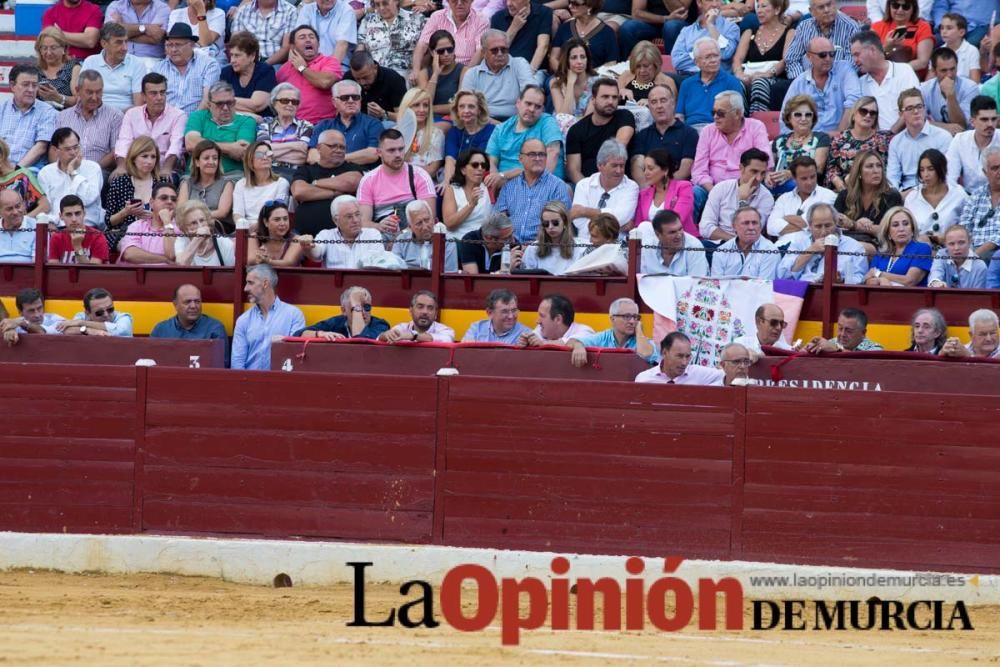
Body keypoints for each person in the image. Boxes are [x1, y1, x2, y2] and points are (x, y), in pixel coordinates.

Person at [690, 91, 771, 214]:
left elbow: (765, 161)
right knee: (693, 193)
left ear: (738, 113)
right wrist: (714, 193)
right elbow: (699, 171)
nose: (715, 117)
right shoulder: (707, 131)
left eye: (720, 113)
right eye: (714, 112)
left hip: (744, 187)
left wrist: (742, 189)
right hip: (711, 188)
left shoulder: (756, 127)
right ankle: (691, 232)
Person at [356, 128, 436, 235]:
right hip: (382, 234)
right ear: (379, 152)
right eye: (391, 150)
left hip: (416, 232)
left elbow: (429, 218)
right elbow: (363, 223)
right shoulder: (368, 180)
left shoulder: (419, 175)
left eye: (401, 149)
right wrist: (379, 226)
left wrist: (403, 236)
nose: (398, 154)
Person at [231, 263, 306, 370]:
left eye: (250, 283)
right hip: (250, 383)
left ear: (265, 284)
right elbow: (237, 364)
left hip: (281, 382)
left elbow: (296, 355)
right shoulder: (243, 320)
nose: (245, 288)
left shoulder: (294, 315)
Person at [289, 129, 363, 236]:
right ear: (319, 148)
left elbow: (351, 183)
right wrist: (334, 193)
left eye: (342, 147)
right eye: (333, 146)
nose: (338, 150)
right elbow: (299, 192)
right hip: (307, 237)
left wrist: (314, 183)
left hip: (344, 237)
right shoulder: (306, 170)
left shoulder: (352, 167)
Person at [496, 138, 573, 241]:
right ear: (520, 158)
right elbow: (499, 218)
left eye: (541, 154)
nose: (537, 158)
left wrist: (533, 246)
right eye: (532, 154)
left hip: (543, 247)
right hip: (511, 244)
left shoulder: (557, 186)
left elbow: (561, 224)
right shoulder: (509, 186)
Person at [783, 36, 861, 134]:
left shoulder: (844, 69)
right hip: (809, 140)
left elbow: (854, 101)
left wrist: (839, 134)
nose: (828, 59)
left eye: (832, 54)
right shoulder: (799, 83)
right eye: (822, 55)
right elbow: (785, 116)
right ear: (809, 56)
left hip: (841, 137)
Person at [485, 85, 564, 182]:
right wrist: (494, 178)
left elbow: (553, 152)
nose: (532, 109)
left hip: (539, 181)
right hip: (504, 184)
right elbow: (491, 160)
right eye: (528, 103)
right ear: (518, 103)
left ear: (543, 109)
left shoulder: (547, 122)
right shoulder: (501, 129)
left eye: (537, 106)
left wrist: (540, 184)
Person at [777, 202, 868, 284]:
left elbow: (860, 278)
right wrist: (810, 251)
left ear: (836, 222)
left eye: (828, 225)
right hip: (803, 295)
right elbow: (783, 275)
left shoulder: (854, 247)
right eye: (818, 226)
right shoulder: (799, 243)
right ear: (810, 226)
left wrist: (842, 280)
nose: (824, 232)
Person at [566, 77, 636, 183]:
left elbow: (617, 150)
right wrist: (587, 190)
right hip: (587, 185)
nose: (610, 101)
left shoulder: (624, 116)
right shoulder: (576, 130)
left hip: (620, 184)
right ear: (593, 100)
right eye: (605, 97)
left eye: (614, 97)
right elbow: (573, 170)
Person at [116, 72, 186, 176]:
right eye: (153, 93)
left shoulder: (178, 116)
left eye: (162, 92)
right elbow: (124, 143)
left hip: (164, 168)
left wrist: (166, 169)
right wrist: (121, 167)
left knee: (165, 182)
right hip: (136, 170)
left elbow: (176, 146)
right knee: (118, 181)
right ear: (143, 96)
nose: (159, 97)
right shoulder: (131, 114)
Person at [183, 81, 258, 179]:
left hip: (231, 175)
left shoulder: (247, 121)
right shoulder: (198, 116)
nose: (225, 108)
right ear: (209, 105)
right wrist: (229, 148)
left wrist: (202, 145)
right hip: (196, 175)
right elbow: (191, 143)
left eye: (229, 103)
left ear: (234, 102)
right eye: (219, 104)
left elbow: (241, 152)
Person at [731, 0, 795, 113]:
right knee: (736, 84)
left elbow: (786, 60)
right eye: (758, 7)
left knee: (759, 83)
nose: (759, 10)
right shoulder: (749, 32)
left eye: (764, 6)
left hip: (775, 77)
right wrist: (740, 74)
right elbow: (737, 59)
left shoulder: (789, 32)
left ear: (777, 10)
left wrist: (767, 74)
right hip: (749, 76)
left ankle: (758, 123)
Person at [628, 84, 698, 187]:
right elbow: (637, 167)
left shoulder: (689, 133)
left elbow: (685, 169)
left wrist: (664, 189)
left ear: (673, 103)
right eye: (654, 102)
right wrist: (647, 188)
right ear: (649, 107)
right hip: (648, 189)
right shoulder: (642, 135)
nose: (659, 106)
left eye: (663, 100)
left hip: (677, 189)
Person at [53, 70, 121, 174]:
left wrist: (91, 170)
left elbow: (115, 152)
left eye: (98, 92)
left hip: (99, 171)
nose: (94, 97)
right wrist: (62, 170)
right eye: (89, 92)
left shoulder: (115, 116)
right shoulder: (62, 116)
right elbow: (53, 149)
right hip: (65, 170)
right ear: (77, 90)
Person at [833, 149, 902, 252]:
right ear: (859, 172)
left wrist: (854, 225)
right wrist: (842, 221)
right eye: (870, 166)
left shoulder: (891, 195)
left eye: (878, 166)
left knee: (858, 248)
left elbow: (892, 229)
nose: (876, 170)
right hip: (846, 241)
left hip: (879, 246)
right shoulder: (845, 195)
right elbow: (834, 222)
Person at [104, 136, 165, 250]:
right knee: (129, 244)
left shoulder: (162, 183)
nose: (149, 161)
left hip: (156, 232)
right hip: (125, 232)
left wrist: (153, 217)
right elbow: (109, 221)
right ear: (133, 158)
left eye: (153, 157)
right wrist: (126, 212)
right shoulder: (120, 182)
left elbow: (173, 216)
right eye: (144, 156)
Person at [886, 88, 953, 194]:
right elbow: (892, 177)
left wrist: (915, 192)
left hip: (935, 190)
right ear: (901, 115)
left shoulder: (943, 137)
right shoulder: (896, 142)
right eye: (910, 108)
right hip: (904, 194)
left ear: (925, 109)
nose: (916, 111)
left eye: (919, 106)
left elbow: (946, 174)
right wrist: (896, 196)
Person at [851, 30, 919, 133]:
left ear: (872, 50)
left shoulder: (904, 71)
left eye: (857, 54)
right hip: (873, 142)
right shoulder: (860, 83)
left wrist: (889, 135)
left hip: (906, 136)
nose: (855, 60)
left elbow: (913, 108)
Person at [700, 148, 773, 242]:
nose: (759, 178)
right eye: (754, 172)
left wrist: (743, 201)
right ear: (741, 168)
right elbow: (705, 228)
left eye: (763, 173)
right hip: (718, 244)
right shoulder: (721, 188)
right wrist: (734, 243)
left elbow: (750, 233)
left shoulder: (766, 197)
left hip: (749, 249)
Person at [460, 31, 534, 122]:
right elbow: (465, 105)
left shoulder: (519, 64)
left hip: (516, 120)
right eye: (494, 50)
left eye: (503, 49)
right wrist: (497, 125)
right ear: (483, 53)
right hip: (484, 121)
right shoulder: (472, 74)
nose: (500, 54)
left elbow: (530, 94)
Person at [38, 128, 104, 230]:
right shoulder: (46, 173)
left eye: (76, 147)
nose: (73, 153)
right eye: (68, 149)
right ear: (56, 150)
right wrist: (50, 223)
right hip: (57, 228)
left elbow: (88, 199)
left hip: (88, 227)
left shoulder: (93, 168)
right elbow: (48, 206)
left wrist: (73, 173)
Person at [275, 25, 342, 126]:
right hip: (293, 125)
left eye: (311, 37)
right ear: (293, 46)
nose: (308, 40)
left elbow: (325, 82)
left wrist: (302, 68)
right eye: (302, 37)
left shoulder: (329, 62)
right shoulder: (285, 69)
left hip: (322, 124)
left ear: (318, 44)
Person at [569, 140, 638, 235]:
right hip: (584, 242)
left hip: (616, 245)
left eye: (622, 166)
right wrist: (614, 226)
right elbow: (578, 222)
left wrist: (584, 211)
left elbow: (619, 218)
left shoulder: (631, 187)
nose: (619, 171)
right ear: (600, 165)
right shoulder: (583, 185)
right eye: (614, 165)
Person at [150, 283, 229, 366]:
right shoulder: (161, 330)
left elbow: (221, 367)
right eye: (187, 302)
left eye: (197, 301)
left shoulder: (214, 329)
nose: (193, 306)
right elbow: (150, 363)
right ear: (175, 305)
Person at [308, 80, 383, 167]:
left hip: (360, 174)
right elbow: (312, 156)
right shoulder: (323, 125)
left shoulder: (373, 124)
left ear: (360, 100)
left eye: (355, 97)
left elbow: (373, 154)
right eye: (345, 97)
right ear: (334, 102)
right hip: (326, 174)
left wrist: (336, 160)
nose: (351, 101)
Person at [767, 95, 830, 196]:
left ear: (813, 118)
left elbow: (818, 168)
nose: (803, 118)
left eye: (808, 115)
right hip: (778, 188)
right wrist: (768, 176)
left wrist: (791, 174)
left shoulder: (821, 138)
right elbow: (769, 167)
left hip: (808, 189)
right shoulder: (779, 140)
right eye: (798, 115)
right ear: (789, 118)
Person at [826, 96, 892, 192]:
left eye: (873, 113)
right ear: (854, 114)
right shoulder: (839, 139)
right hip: (843, 188)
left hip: (872, 188)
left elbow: (883, 169)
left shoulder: (882, 141)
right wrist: (838, 182)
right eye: (863, 111)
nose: (868, 115)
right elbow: (831, 168)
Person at [153, 23, 221, 115]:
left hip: (195, 121)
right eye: (169, 45)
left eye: (178, 45)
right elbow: (153, 101)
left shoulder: (209, 65)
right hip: (164, 121)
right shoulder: (158, 68)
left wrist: (191, 123)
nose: (173, 49)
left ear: (192, 45)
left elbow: (207, 100)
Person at [568, 297, 658, 367]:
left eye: (635, 317)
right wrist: (578, 346)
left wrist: (639, 330)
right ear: (612, 319)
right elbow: (570, 342)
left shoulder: (642, 341)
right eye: (627, 316)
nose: (632, 321)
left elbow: (645, 354)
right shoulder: (603, 337)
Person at [783, 0, 859, 80]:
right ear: (811, 11)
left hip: (840, 83)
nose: (826, 10)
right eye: (821, 7)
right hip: (806, 82)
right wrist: (803, 82)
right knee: (777, 87)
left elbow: (852, 62)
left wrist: (831, 82)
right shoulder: (804, 27)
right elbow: (792, 59)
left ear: (835, 4)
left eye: (829, 5)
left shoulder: (850, 27)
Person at [676, 39, 743, 129]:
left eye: (716, 56)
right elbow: (679, 116)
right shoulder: (687, 84)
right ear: (696, 62)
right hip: (690, 132)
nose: (713, 60)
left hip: (719, 130)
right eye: (708, 57)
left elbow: (737, 117)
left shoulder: (732, 82)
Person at [0, 65, 58, 169]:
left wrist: (16, 170)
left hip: (27, 172)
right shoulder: (2, 109)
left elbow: (41, 147)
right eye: (25, 85)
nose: (31, 90)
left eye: (35, 85)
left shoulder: (47, 112)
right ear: (13, 86)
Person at [767, 156, 836, 242]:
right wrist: (808, 226)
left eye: (812, 177)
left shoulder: (828, 195)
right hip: (782, 250)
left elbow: (809, 222)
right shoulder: (784, 198)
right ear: (794, 178)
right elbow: (771, 227)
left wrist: (786, 218)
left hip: (814, 250)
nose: (809, 182)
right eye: (804, 178)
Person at [255, 83, 314, 183]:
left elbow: (301, 157)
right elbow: (262, 153)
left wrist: (271, 151)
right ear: (274, 103)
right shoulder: (265, 124)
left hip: (295, 174)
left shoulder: (307, 126)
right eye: (284, 101)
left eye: (294, 102)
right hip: (269, 172)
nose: (290, 104)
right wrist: (294, 145)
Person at [412, 0, 490, 76]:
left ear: (472, 1)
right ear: (448, 1)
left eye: (464, 0)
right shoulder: (437, 17)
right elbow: (422, 44)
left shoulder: (481, 20)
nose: (459, 3)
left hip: (468, 69)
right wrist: (416, 71)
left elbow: (480, 51)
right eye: (454, 0)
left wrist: (466, 75)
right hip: (440, 70)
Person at [904, 148, 965, 245]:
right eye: (922, 170)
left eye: (930, 169)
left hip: (951, 249)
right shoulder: (912, 198)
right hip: (920, 250)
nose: (926, 175)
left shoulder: (959, 194)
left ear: (941, 168)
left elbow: (966, 227)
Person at [306, 194, 384, 268]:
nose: (355, 220)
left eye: (357, 214)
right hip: (335, 281)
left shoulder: (372, 235)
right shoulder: (326, 235)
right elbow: (316, 254)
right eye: (349, 217)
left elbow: (378, 265)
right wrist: (308, 247)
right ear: (336, 220)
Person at [81, 23, 146, 112]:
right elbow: (83, 98)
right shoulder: (91, 62)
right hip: (95, 113)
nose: (125, 48)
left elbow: (139, 106)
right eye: (118, 42)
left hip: (126, 117)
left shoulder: (137, 64)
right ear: (104, 43)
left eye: (126, 42)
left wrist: (114, 117)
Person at [864, 206, 932, 286]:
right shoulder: (882, 253)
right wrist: (881, 280)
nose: (901, 229)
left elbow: (910, 280)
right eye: (895, 225)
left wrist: (879, 274)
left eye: (906, 224)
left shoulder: (922, 249)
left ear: (912, 229)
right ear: (888, 232)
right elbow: (868, 281)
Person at [669, 0, 741, 75]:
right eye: (709, 0)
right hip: (688, 77)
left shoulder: (731, 28)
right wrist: (707, 55)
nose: (714, 4)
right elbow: (677, 62)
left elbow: (725, 53)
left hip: (716, 78)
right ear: (699, 3)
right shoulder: (687, 31)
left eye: (718, 0)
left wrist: (711, 25)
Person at [633, 149, 695, 236]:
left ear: (665, 170)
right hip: (651, 243)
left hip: (681, 240)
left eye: (650, 168)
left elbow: (677, 220)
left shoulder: (683, 188)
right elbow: (638, 225)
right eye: (644, 168)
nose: (645, 173)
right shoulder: (643, 194)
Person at [946, 95, 1000, 192]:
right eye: (984, 119)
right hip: (967, 197)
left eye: (993, 119)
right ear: (972, 121)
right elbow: (950, 178)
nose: (990, 124)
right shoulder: (960, 140)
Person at [360, 0, 427, 79]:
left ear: (396, 1)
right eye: (377, 5)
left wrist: (417, 70)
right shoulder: (367, 21)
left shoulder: (416, 19)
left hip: (406, 75)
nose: (381, 8)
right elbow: (360, 50)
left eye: (385, 3)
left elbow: (426, 49)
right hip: (376, 77)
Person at [548, 0, 618, 73]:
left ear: (590, 7)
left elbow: (611, 63)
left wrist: (587, 75)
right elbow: (553, 58)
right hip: (564, 76)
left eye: (575, 4)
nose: (570, 6)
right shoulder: (565, 28)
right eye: (570, 2)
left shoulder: (607, 32)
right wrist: (567, 73)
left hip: (593, 78)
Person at [920, 47, 978, 135]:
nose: (949, 75)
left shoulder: (970, 87)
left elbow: (961, 126)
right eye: (944, 70)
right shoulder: (925, 88)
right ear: (934, 71)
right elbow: (918, 121)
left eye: (952, 69)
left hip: (965, 137)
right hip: (937, 135)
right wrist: (944, 127)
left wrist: (950, 95)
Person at [178, 140, 234, 231]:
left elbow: (222, 212)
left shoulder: (227, 183)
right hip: (191, 228)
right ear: (197, 162)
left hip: (217, 229)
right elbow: (181, 210)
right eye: (206, 158)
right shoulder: (187, 183)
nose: (211, 162)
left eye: (215, 158)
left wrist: (198, 219)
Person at [296, 286, 390, 340]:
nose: (362, 312)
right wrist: (319, 334)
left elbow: (361, 340)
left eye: (366, 307)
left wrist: (356, 304)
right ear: (344, 311)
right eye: (357, 307)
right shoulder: (336, 322)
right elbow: (298, 334)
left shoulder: (381, 325)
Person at [442, 90, 494, 187]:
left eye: (471, 106)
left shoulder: (490, 131)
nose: (466, 111)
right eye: (461, 106)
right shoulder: (454, 131)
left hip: (480, 180)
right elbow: (450, 160)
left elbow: (478, 162)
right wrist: (448, 184)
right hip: (457, 177)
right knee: (442, 192)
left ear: (479, 110)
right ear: (457, 111)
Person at [117, 181, 178, 264]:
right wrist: (164, 259)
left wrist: (167, 223)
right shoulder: (137, 226)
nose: (170, 202)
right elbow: (130, 254)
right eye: (164, 198)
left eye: (174, 199)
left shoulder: (181, 227)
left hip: (168, 276)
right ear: (152, 203)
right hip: (136, 276)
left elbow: (172, 255)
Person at [232, 140, 290, 226]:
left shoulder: (281, 183)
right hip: (246, 229)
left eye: (268, 153)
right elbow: (238, 214)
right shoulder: (240, 184)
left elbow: (277, 214)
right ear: (250, 160)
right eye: (259, 154)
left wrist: (256, 228)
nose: (265, 157)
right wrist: (243, 227)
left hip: (270, 229)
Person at [710, 207, 780, 278]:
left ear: (760, 226)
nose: (751, 227)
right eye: (746, 223)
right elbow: (717, 284)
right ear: (734, 226)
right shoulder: (721, 251)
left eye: (755, 223)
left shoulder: (771, 251)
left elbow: (764, 285)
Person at [635, 331, 725, 385]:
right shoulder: (644, 379)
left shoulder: (699, 374)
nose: (684, 362)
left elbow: (728, 375)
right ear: (664, 353)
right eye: (679, 356)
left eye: (688, 356)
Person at [871, 0, 933, 77]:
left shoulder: (923, 27)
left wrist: (897, 71)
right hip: (882, 76)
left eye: (905, 7)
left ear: (913, 8)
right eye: (895, 6)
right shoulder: (877, 27)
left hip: (911, 76)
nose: (900, 10)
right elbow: (871, 60)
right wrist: (887, 47)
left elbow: (922, 62)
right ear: (889, 6)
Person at [220, 32, 277, 115]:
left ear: (252, 56)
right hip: (234, 120)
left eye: (237, 55)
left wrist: (226, 100)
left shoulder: (265, 71)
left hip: (261, 123)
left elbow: (256, 105)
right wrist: (249, 115)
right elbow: (218, 103)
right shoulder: (226, 72)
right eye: (231, 55)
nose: (232, 60)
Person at [442, 148, 493, 240]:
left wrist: (502, 175)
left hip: (480, 241)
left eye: (483, 165)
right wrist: (471, 205)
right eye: (475, 165)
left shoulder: (489, 187)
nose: (480, 168)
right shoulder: (453, 189)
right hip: (456, 241)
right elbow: (449, 224)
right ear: (463, 170)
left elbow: (518, 170)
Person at [392, 200, 459, 271]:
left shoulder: (447, 241)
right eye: (419, 223)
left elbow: (449, 275)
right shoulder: (401, 241)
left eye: (427, 220)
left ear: (433, 219)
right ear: (410, 227)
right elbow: (394, 271)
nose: (425, 227)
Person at [490, 0, 552, 76]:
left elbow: (543, 46)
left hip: (534, 71)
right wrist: (513, 28)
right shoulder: (497, 18)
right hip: (504, 72)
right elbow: (496, 52)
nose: (509, 4)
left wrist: (528, 74)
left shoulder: (543, 12)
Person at [638, 209, 708, 276]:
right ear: (658, 235)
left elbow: (696, 283)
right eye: (672, 232)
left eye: (680, 229)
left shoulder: (694, 246)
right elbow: (643, 281)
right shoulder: (648, 247)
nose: (679, 235)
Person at [521, 201, 584, 274]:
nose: (550, 227)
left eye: (555, 223)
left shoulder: (580, 248)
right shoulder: (533, 249)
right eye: (546, 224)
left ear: (565, 223)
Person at [166, 199, 234, 266]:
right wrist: (198, 239)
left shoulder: (224, 243)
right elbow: (181, 265)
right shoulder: (182, 240)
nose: (200, 226)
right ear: (184, 229)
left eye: (202, 220)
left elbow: (231, 274)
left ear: (207, 221)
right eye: (194, 223)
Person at [959, 147, 1000, 259]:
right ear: (985, 172)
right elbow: (963, 228)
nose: (999, 172)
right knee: (941, 256)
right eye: (995, 168)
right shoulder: (976, 196)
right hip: (971, 252)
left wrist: (975, 255)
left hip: (995, 254)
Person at [229, 0, 298, 66]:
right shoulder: (242, 11)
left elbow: (286, 47)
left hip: (275, 62)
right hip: (245, 61)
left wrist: (263, 66)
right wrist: (247, 64)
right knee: (224, 73)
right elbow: (235, 43)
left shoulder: (290, 11)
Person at [395, 87, 444, 178]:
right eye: (416, 105)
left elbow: (432, 169)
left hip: (422, 182)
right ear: (406, 107)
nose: (422, 110)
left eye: (425, 105)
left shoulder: (436, 134)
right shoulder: (394, 133)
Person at [349, 49, 407, 124]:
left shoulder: (393, 79)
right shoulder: (349, 78)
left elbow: (404, 117)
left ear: (375, 68)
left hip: (386, 124)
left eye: (365, 77)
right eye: (357, 79)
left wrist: (384, 114)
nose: (362, 83)